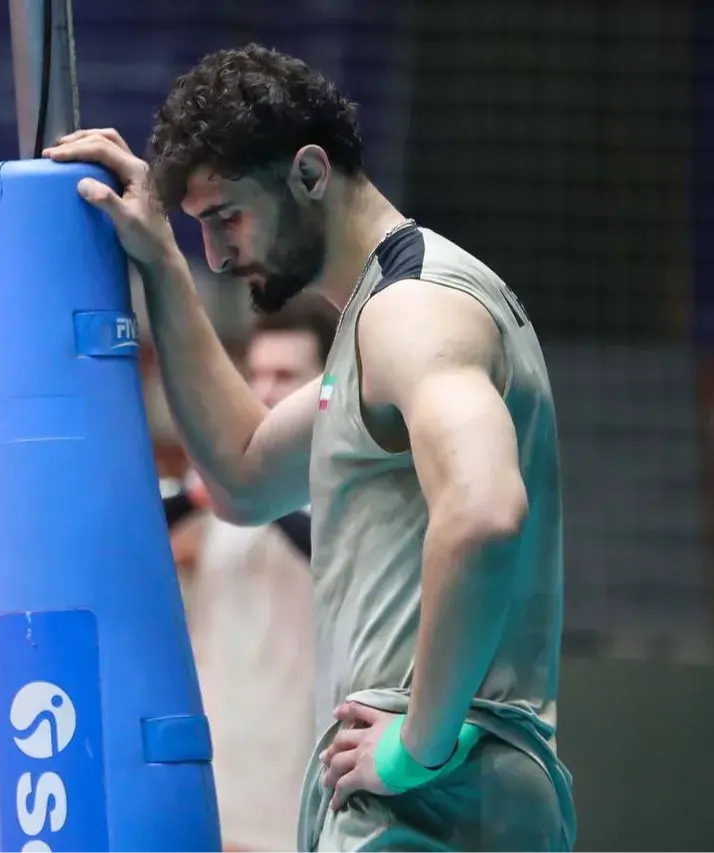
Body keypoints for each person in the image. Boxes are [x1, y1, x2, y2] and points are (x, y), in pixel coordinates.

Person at [45, 45, 573, 853]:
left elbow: (485, 512)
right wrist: (160, 261)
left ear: (310, 172)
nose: (217, 254)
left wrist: (417, 745)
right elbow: (245, 473)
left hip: (432, 803)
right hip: (439, 801)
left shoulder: (414, 313)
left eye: (226, 217)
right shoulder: (384, 321)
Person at [164, 294, 338, 853]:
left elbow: (327, 552)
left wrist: (249, 490)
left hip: (298, 771)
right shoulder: (225, 478)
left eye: (285, 376)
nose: (263, 392)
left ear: (329, 384)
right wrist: (204, 492)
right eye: (256, 375)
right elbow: (134, 528)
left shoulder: (350, 485)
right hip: (213, 758)